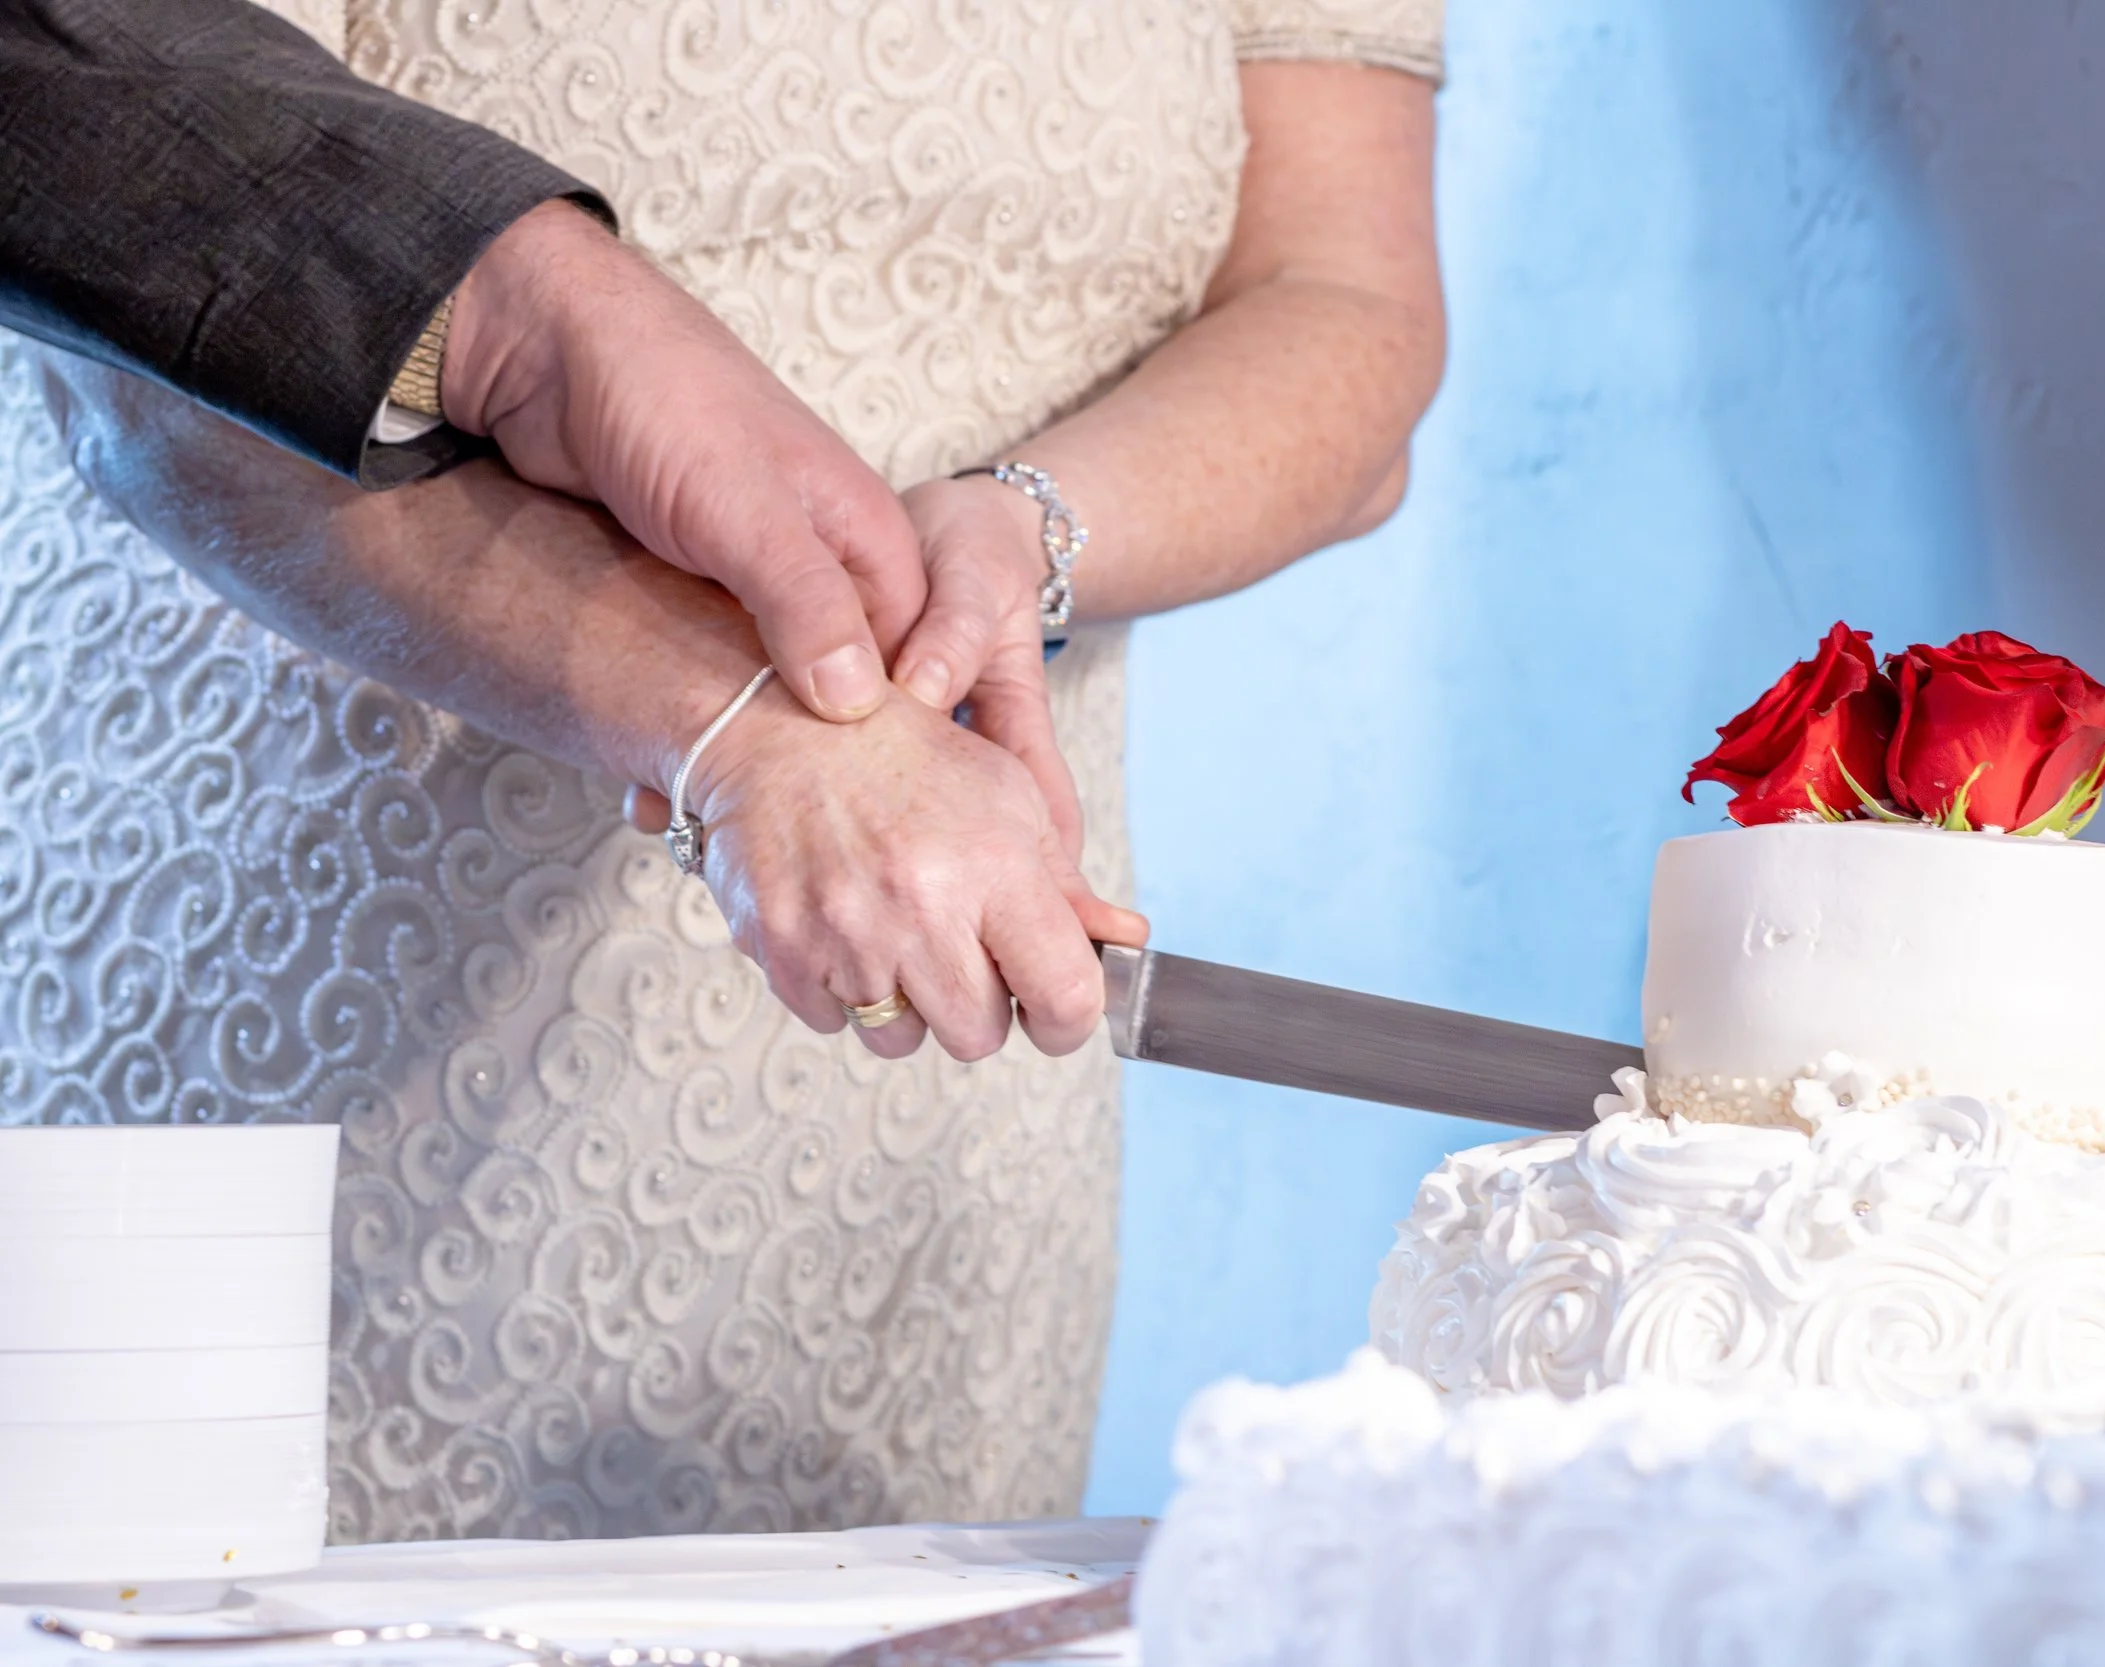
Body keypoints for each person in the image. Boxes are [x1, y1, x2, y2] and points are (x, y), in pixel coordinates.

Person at [0, 0, 1443, 1536]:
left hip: (936, 1021)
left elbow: (1341, 298)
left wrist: (1022, 532)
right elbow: (148, 286)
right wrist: (746, 722)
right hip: (290, 998)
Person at [3, 0, 926, 728]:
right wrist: (748, 729)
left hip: (989, 773)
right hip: (310, 740)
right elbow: (131, 333)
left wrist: (1022, 513)